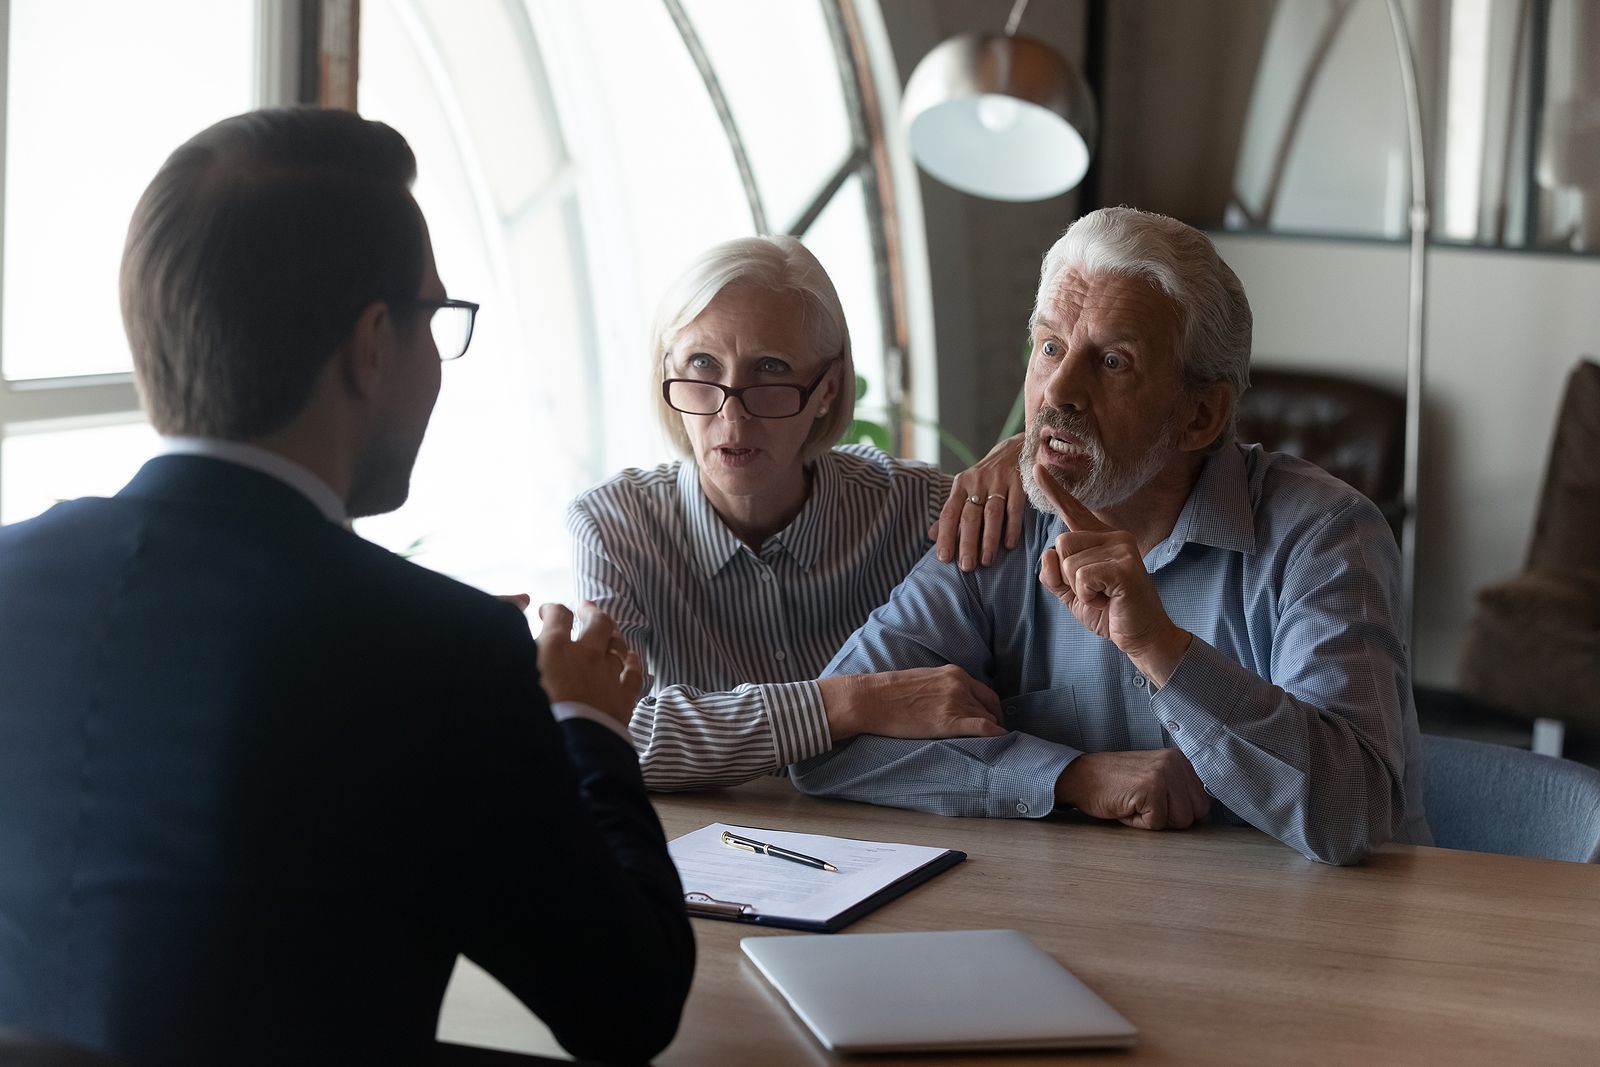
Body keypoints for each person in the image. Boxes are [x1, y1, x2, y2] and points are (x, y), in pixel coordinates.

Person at [0, 109, 692, 1065]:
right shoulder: (437, 652)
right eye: (435, 319)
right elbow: (630, 1008)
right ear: (373, 343)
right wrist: (587, 725)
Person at [790, 207, 1430, 866]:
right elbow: (829, 749)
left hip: (1317, 945)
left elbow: (1355, 814)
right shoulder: (1006, 521)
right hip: (1086, 924)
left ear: (1201, 413)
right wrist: (1070, 779)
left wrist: (1162, 648)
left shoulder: (1323, 537)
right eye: (1050, 347)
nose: (1059, 390)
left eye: (1114, 361)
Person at [568, 235, 1025, 790]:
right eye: (702, 363)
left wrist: (1028, 455)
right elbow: (611, 736)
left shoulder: (916, 509)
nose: (731, 416)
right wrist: (850, 701)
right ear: (667, 371)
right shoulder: (613, 526)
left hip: (912, 842)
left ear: (828, 389)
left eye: (770, 369)